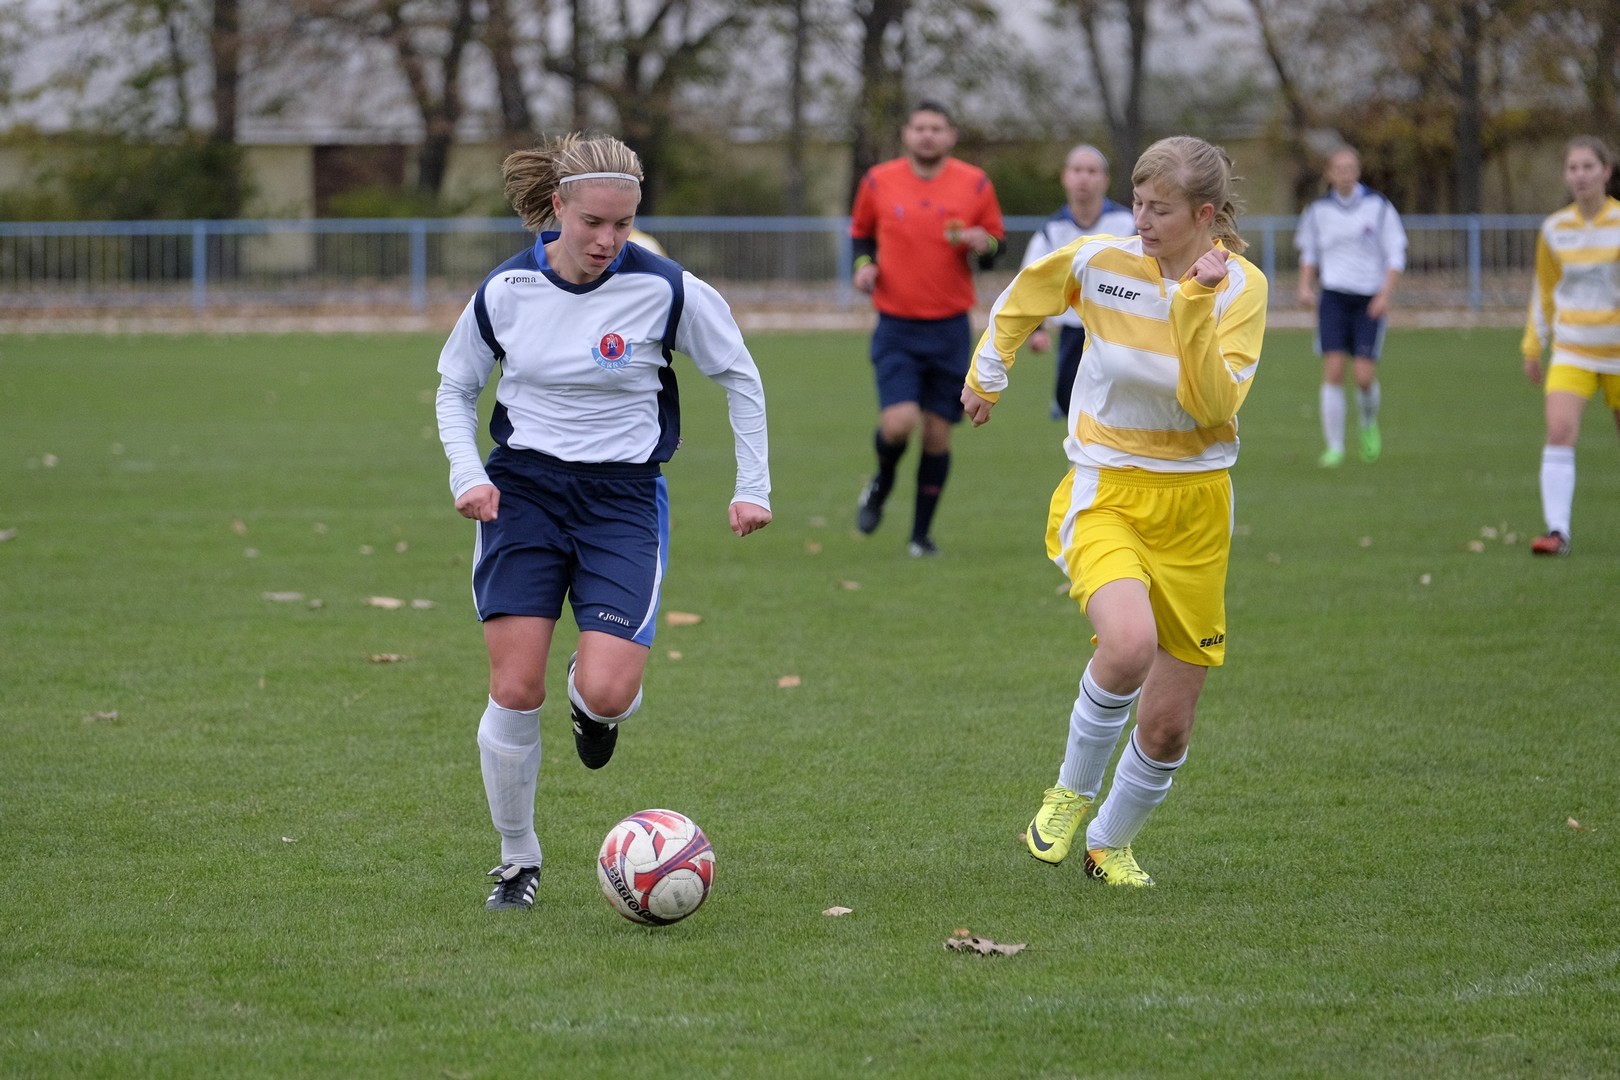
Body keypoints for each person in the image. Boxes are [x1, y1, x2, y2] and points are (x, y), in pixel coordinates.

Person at [434, 133, 773, 911]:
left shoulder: (667, 288)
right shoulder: (507, 290)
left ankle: (593, 707)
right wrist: (468, 473)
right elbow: (454, 386)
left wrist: (752, 485)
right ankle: (517, 861)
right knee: (515, 686)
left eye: (623, 224)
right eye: (592, 222)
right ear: (558, 207)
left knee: (610, 692)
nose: (607, 240)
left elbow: (739, 375)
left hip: (622, 501)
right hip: (523, 495)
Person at [960, 136, 1266, 887]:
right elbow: (1022, 296)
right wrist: (987, 374)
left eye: (1161, 209)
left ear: (1205, 215)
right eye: (1138, 202)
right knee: (1127, 646)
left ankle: (1109, 844)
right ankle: (1068, 793)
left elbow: (1212, 404)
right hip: (1108, 489)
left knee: (1168, 728)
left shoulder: (1241, 289)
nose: (1142, 220)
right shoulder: (1100, 262)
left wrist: (1193, 304)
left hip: (1198, 508)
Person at [850, 100, 1006, 556]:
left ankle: (920, 537)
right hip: (896, 325)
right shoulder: (878, 180)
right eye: (920, 127)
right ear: (906, 133)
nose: (927, 135)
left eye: (936, 128)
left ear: (951, 135)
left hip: (950, 327)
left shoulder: (975, 182)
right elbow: (860, 236)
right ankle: (881, 482)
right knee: (898, 423)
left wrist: (984, 244)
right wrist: (864, 266)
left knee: (938, 434)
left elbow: (996, 245)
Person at [1521, 135, 1620, 557]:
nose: (1580, 175)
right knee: (1559, 430)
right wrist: (1533, 344)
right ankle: (1557, 532)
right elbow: (1544, 290)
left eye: (1588, 167)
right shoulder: (1555, 229)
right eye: (1573, 168)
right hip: (1573, 349)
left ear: (1606, 171)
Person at [1295, 145, 1407, 467]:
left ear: (1358, 170)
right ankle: (1334, 447)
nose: (1346, 173)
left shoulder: (1378, 206)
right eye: (1339, 168)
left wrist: (1384, 295)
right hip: (1333, 296)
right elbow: (1309, 252)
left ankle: (1368, 424)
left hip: (1368, 299)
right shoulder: (1318, 210)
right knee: (1332, 371)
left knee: (1363, 377)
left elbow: (1396, 254)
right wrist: (1305, 286)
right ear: (1329, 173)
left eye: (1351, 167)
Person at [1020, 144, 1135, 419]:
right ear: (1065, 177)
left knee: (1122, 405)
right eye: (1077, 170)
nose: (1084, 177)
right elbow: (1031, 280)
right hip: (1074, 331)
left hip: (1122, 328)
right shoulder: (1053, 229)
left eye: (1092, 171)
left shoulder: (1126, 223)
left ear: (1105, 180)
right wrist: (1037, 329)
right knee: (1069, 402)